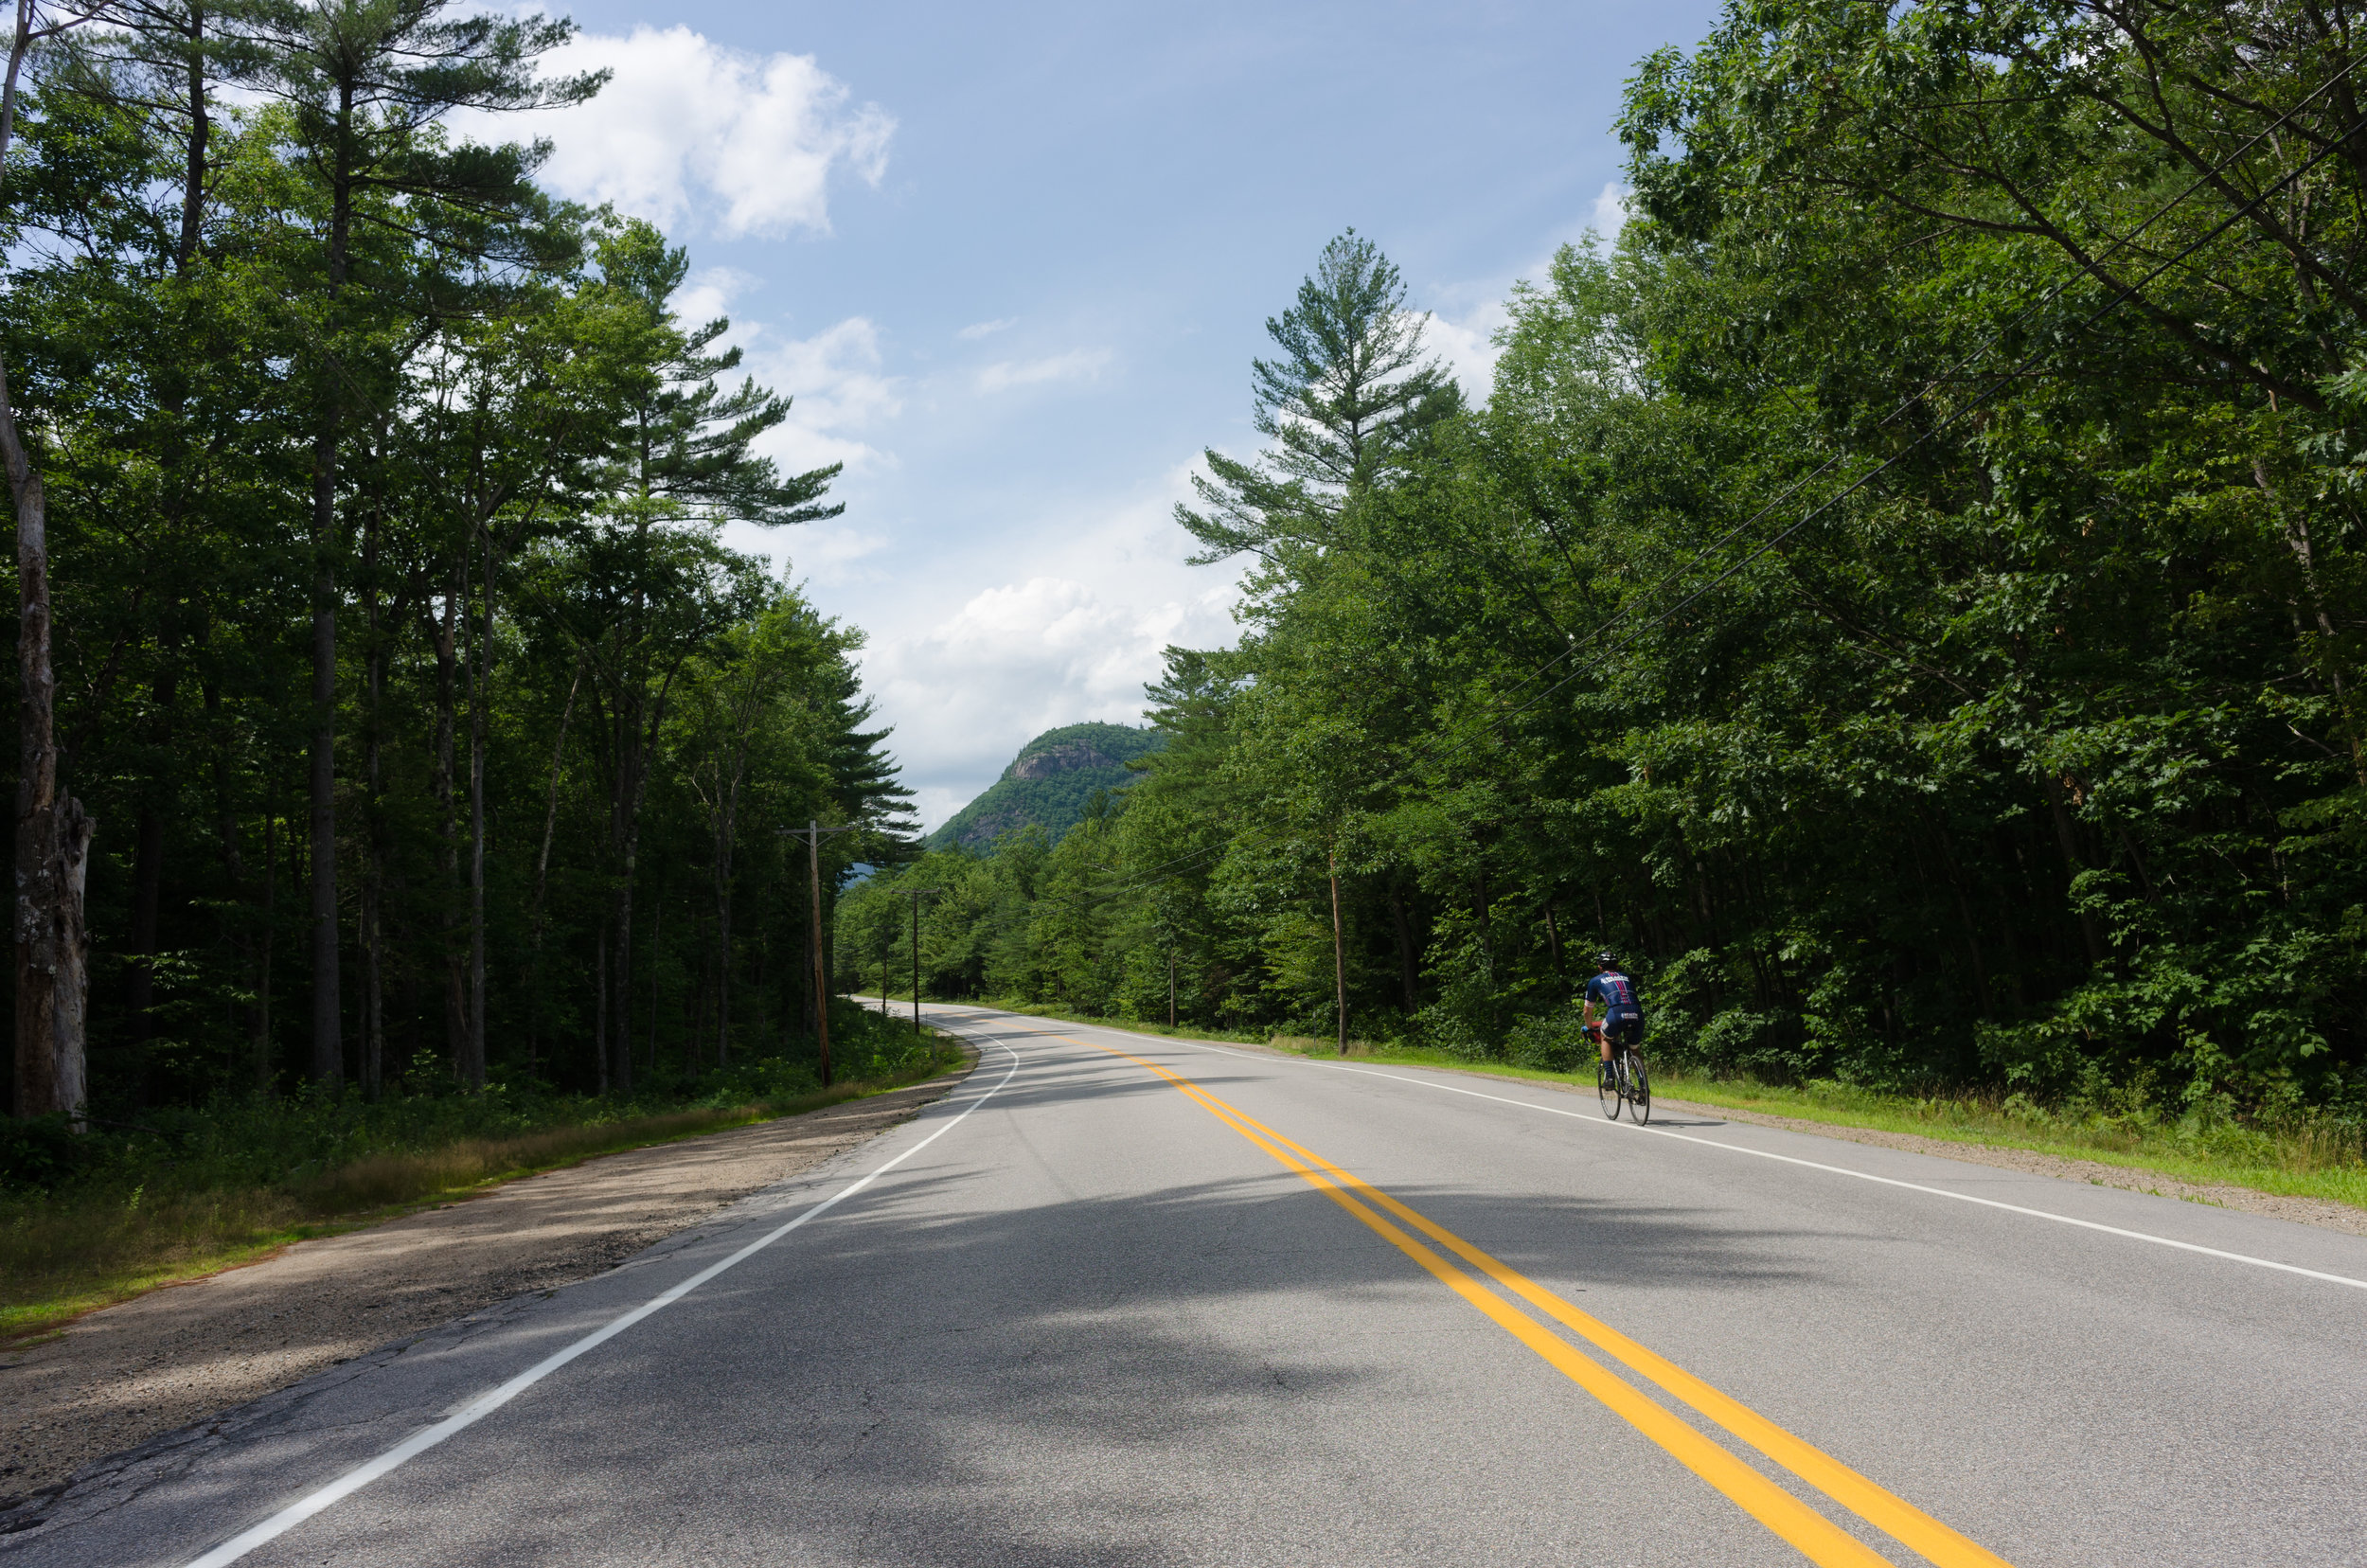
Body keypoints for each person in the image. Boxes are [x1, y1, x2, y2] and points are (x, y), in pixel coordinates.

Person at [1581, 952, 1645, 1089]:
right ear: (1617, 965)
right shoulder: (1627, 977)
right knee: (1635, 1050)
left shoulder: (1595, 980)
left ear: (1599, 967)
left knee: (1605, 1037)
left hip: (1616, 1012)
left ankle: (1610, 1078)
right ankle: (1643, 1085)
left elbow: (1587, 1011)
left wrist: (1590, 1028)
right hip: (1637, 1013)